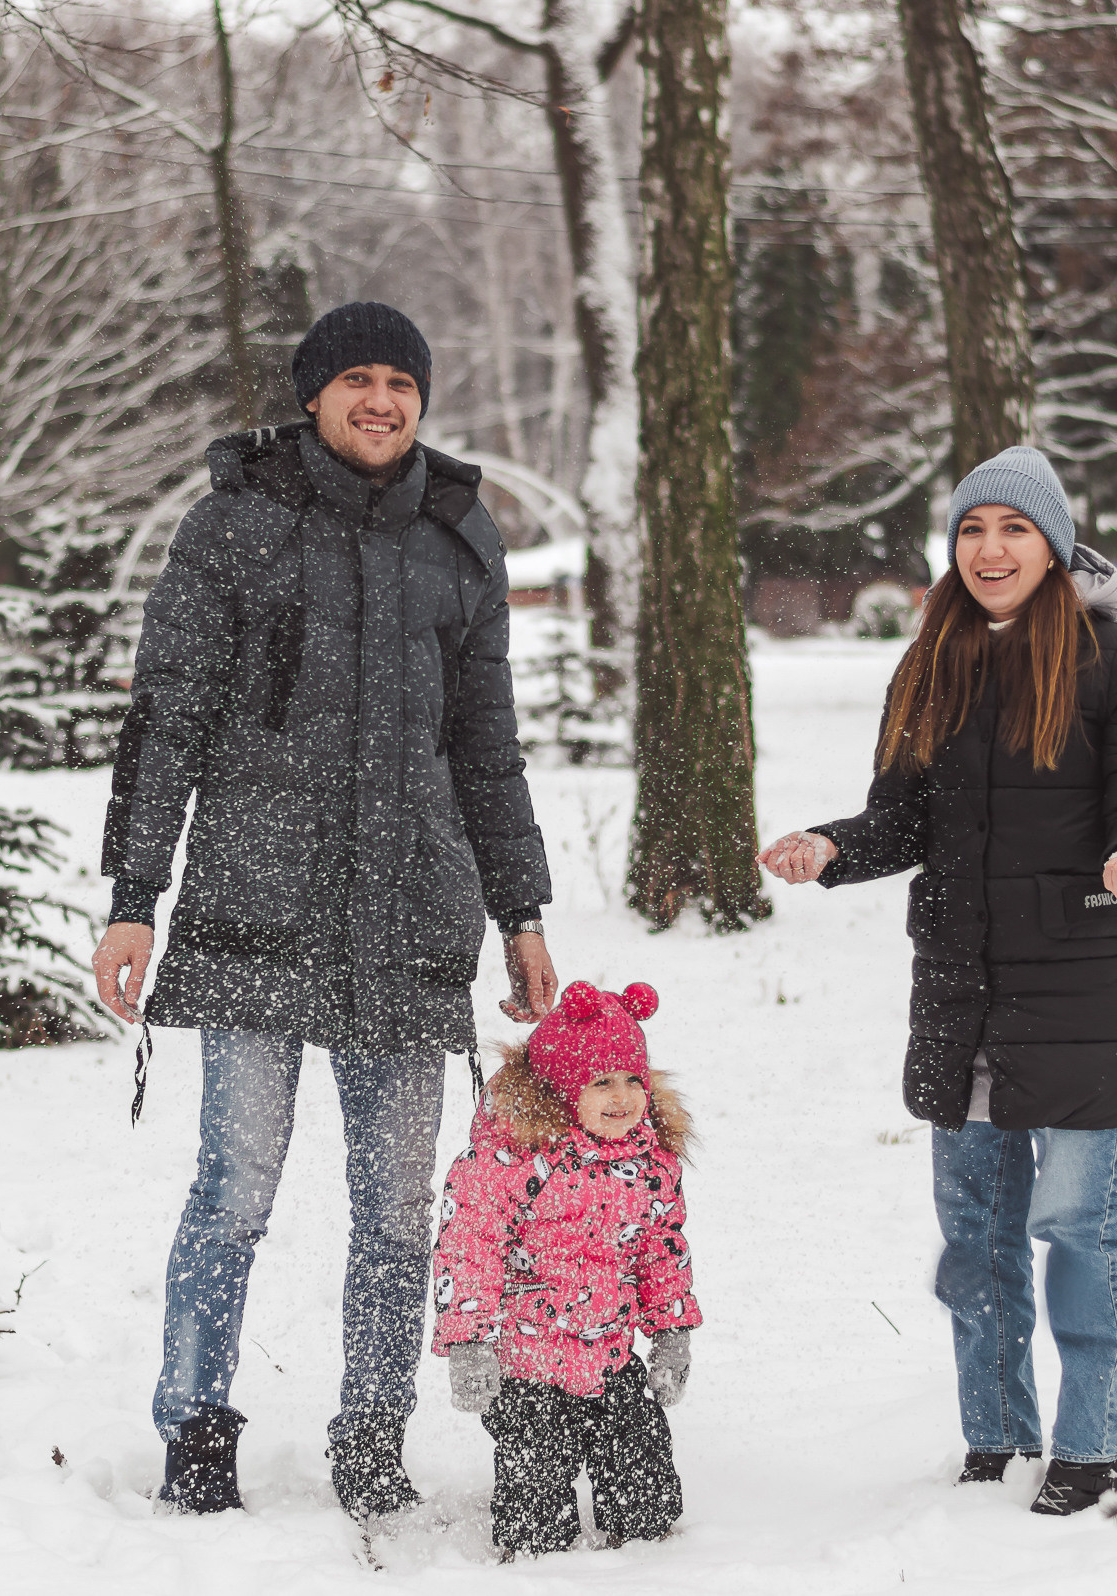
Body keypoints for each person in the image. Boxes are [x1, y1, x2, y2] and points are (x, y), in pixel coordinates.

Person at [91, 301, 562, 1520]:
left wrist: (520, 911)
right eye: (356, 380)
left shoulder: (458, 536)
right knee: (234, 1194)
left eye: (401, 382)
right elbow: (168, 718)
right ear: (312, 396)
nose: (381, 401)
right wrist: (134, 897)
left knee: (399, 1213)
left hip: (409, 919)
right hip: (256, 907)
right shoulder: (234, 525)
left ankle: (372, 1434)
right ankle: (196, 1426)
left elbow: (486, 746)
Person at [758, 445, 1117, 1516]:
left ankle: (1087, 1450)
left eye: (1015, 529)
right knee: (978, 1239)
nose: (991, 550)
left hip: (1084, 985)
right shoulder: (932, 663)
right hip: (964, 989)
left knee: (1081, 1230)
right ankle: (996, 1436)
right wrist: (833, 846)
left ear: (1055, 544)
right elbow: (905, 817)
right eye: (972, 531)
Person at [429, 980, 700, 1556]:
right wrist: (470, 1342)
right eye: (601, 1083)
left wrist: (671, 1331)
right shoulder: (510, 1161)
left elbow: (662, 1250)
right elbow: (468, 1249)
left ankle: (651, 1559)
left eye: (633, 1079)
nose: (622, 1097)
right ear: (559, 1089)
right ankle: (535, 1556)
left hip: (611, 1358)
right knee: (535, 1520)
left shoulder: (651, 1163)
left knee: (646, 1499)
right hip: (528, 1369)